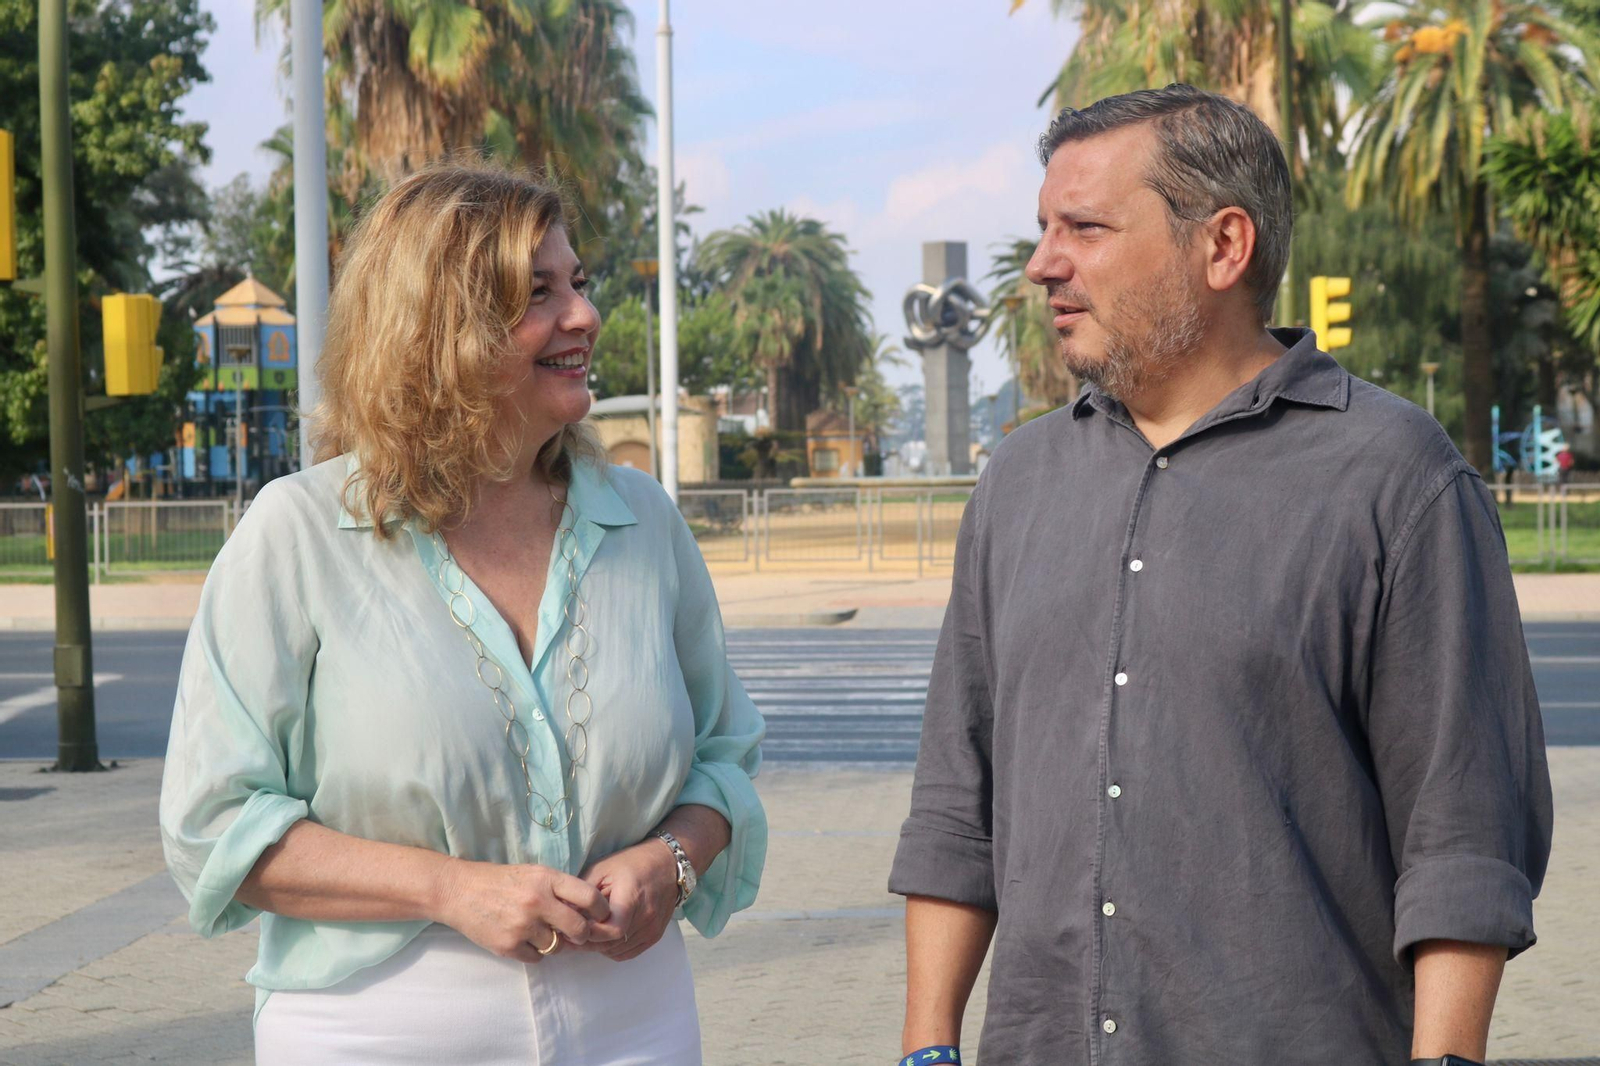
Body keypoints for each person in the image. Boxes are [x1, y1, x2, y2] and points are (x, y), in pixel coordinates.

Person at [889, 85, 1552, 1066]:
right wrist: (926, 1048)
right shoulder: (1017, 483)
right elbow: (956, 808)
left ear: (1224, 246)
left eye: (1084, 228)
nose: (1042, 264)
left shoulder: (1396, 477)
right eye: (1043, 229)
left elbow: (1462, 834)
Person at [160, 163, 767, 1065]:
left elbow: (724, 755)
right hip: (375, 1035)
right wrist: (448, 888)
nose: (585, 316)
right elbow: (215, 823)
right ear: (438, 328)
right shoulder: (298, 534)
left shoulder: (645, 523)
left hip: (640, 1025)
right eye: (538, 293)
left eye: (578, 283)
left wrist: (673, 860)